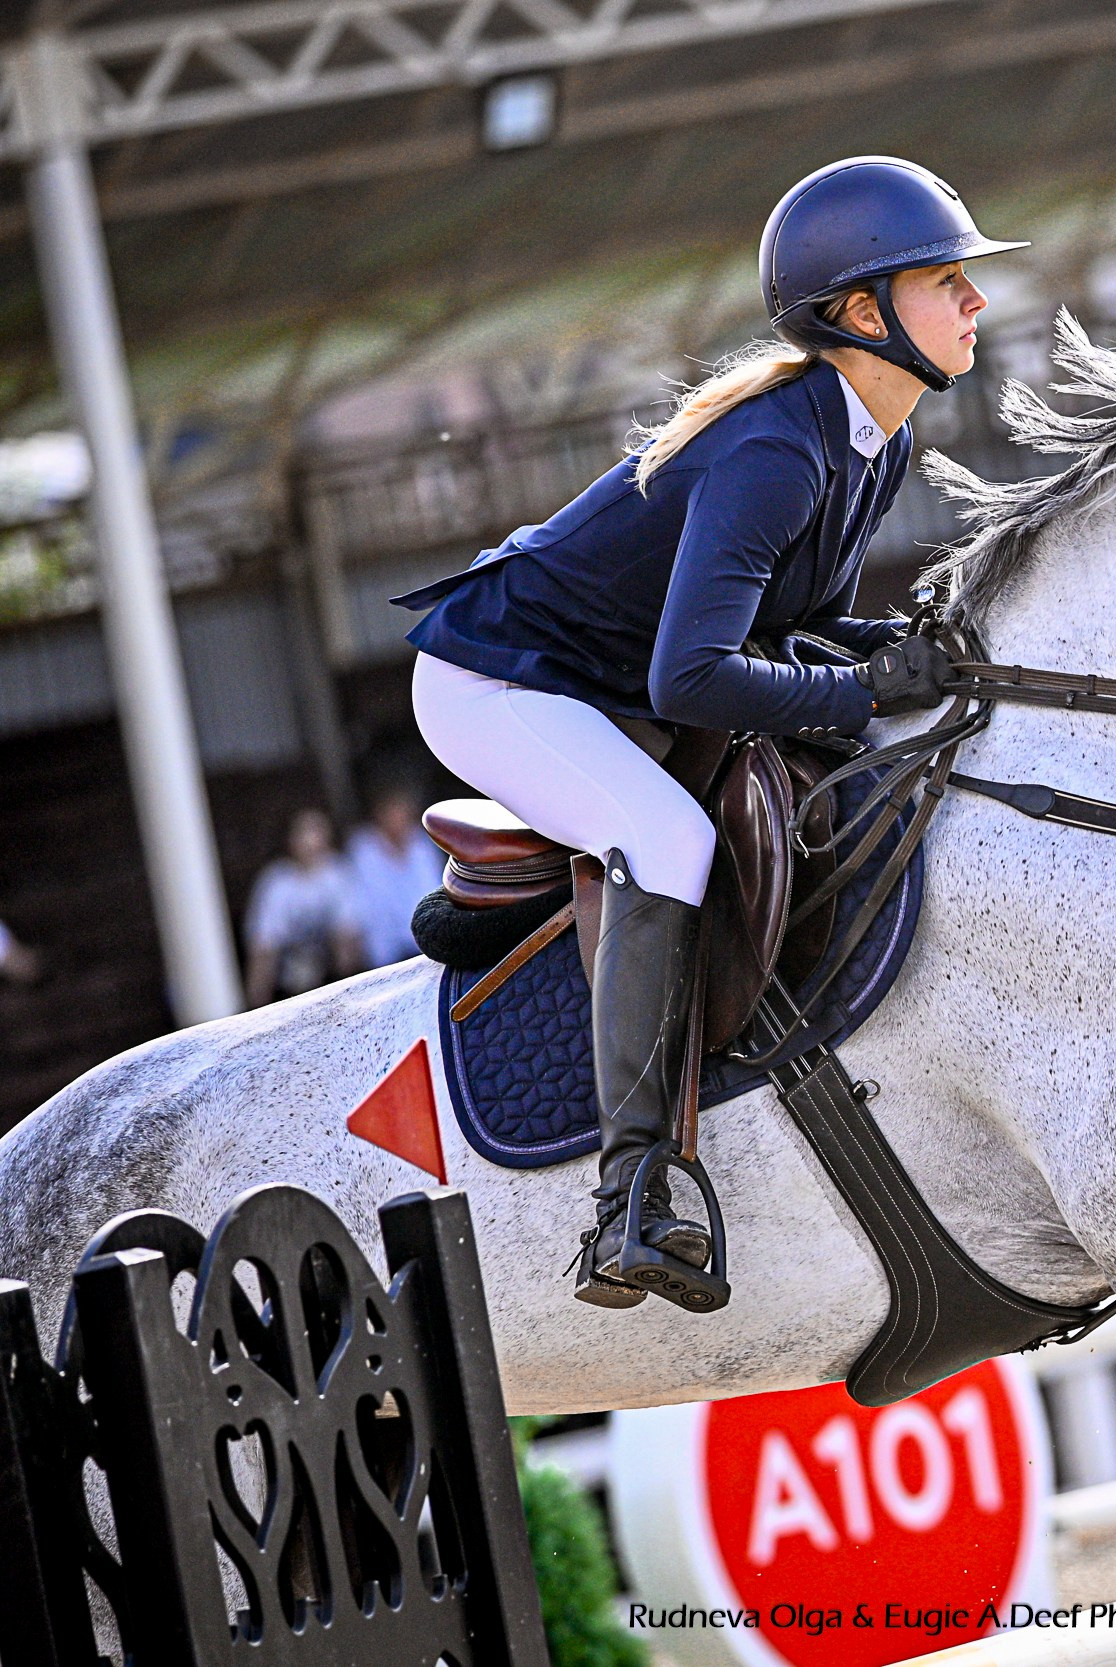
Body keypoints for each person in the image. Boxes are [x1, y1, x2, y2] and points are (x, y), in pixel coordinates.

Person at [392, 156, 1013, 1311]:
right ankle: (632, 1196)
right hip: (498, 681)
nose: (975, 298)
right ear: (864, 312)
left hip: (606, 682)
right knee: (667, 839)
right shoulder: (778, 447)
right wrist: (861, 691)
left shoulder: (877, 443)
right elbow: (693, 676)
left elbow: (798, 616)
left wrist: (905, 648)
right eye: (947, 278)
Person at [245, 809, 365, 1006]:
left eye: (316, 832)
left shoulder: (338, 875)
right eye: (303, 834)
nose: (310, 843)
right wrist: (255, 1007)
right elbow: (264, 950)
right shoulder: (276, 883)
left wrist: (349, 995)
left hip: (331, 979)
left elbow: (348, 937)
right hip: (288, 986)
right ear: (291, 840)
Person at [347, 788, 446, 968]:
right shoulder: (364, 849)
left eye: (403, 814)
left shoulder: (422, 845)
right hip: (385, 952)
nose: (398, 820)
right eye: (393, 813)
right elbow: (369, 904)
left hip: (425, 944)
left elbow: (434, 891)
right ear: (380, 815)